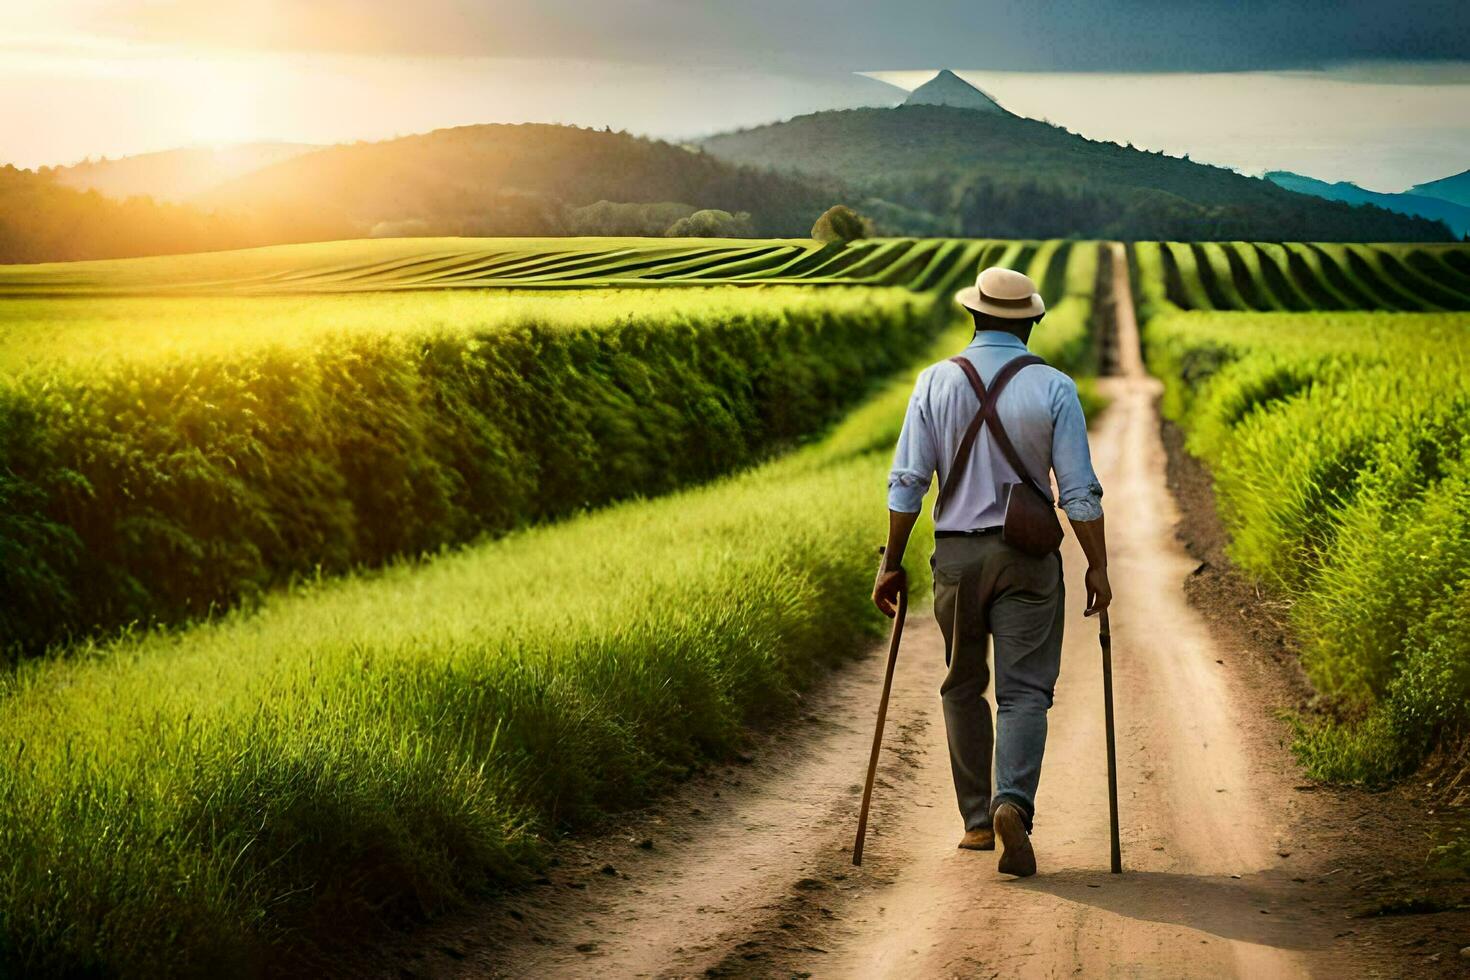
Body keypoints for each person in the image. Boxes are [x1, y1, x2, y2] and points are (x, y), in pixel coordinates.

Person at [871, 265, 1111, 878]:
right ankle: (1014, 804)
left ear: (973, 316)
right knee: (1025, 690)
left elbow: (908, 485)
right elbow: (1078, 492)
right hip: (1028, 559)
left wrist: (891, 564)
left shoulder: (933, 382)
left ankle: (978, 821)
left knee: (961, 683)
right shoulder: (1054, 387)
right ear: (1030, 321)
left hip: (955, 556)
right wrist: (1098, 567)